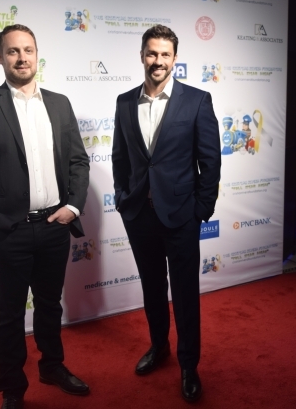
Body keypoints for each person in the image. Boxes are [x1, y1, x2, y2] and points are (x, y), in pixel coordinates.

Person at [0, 24, 90, 409]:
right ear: (0, 57)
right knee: (10, 314)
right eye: (12, 51)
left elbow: (78, 161)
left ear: (37, 55)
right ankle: (13, 388)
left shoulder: (60, 103)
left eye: (28, 50)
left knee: (50, 305)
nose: (21, 58)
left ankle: (52, 366)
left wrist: (73, 207)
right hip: (7, 232)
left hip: (54, 226)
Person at [111, 25, 221, 402]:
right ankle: (160, 347)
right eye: (152, 53)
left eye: (165, 55)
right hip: (139, 214)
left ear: (175, 59)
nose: (158, 61)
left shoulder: (197, 101)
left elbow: (210, 161)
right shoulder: (125, 102)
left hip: (181, 215)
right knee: (152, 287)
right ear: (142, 55)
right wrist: (123, 198)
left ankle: (189, 365)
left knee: (185, 292)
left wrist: (201, 210)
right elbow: (120, 157)